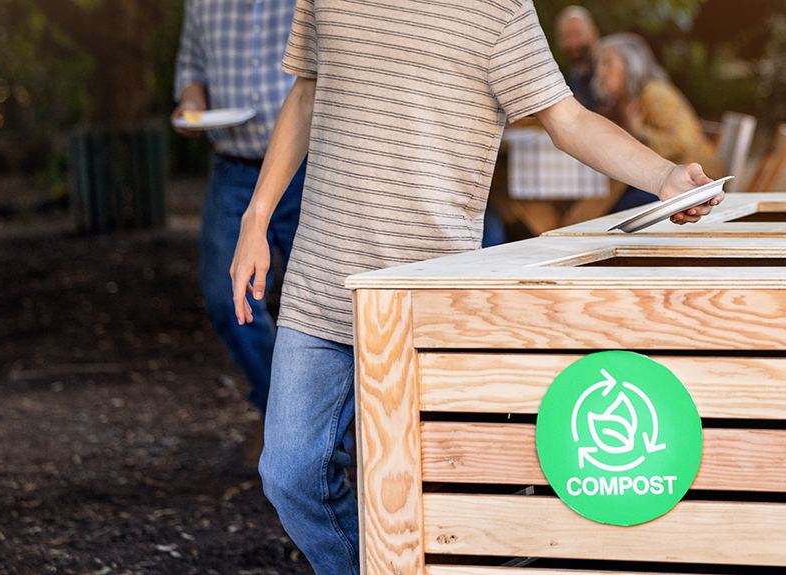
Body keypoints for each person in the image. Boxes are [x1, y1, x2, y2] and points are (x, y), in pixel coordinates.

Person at [229, 1, 718, 573]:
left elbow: (566, 119)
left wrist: (663, 176)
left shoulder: (499, 8)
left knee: (433, 485)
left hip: (428, 294)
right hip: (322, 279)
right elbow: (307, 93)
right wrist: (255, 217)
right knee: (289, 476)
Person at [171, 0, 306, 457]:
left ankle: (314, 428)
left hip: (309, 168)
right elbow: (191, 68)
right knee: (226, 298)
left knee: (326, 305)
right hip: (234, 171)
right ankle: (290, 418)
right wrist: (191, 105)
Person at [592, 33, 725, 213]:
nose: (600, 72)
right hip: (670, 178)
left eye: (607, 63)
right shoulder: (630, 101)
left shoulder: (655, 93)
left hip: (697, 183)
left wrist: (639, 130)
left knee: (614, 208)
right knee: (606, 200)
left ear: (631, 65)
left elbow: (681, 142)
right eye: (599, 64)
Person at [556, 5, 601, 110]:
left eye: (577, 34)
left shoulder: (608, 70)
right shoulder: (570, 78)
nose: (573, 43)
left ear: (593, 33)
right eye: (566, 36)